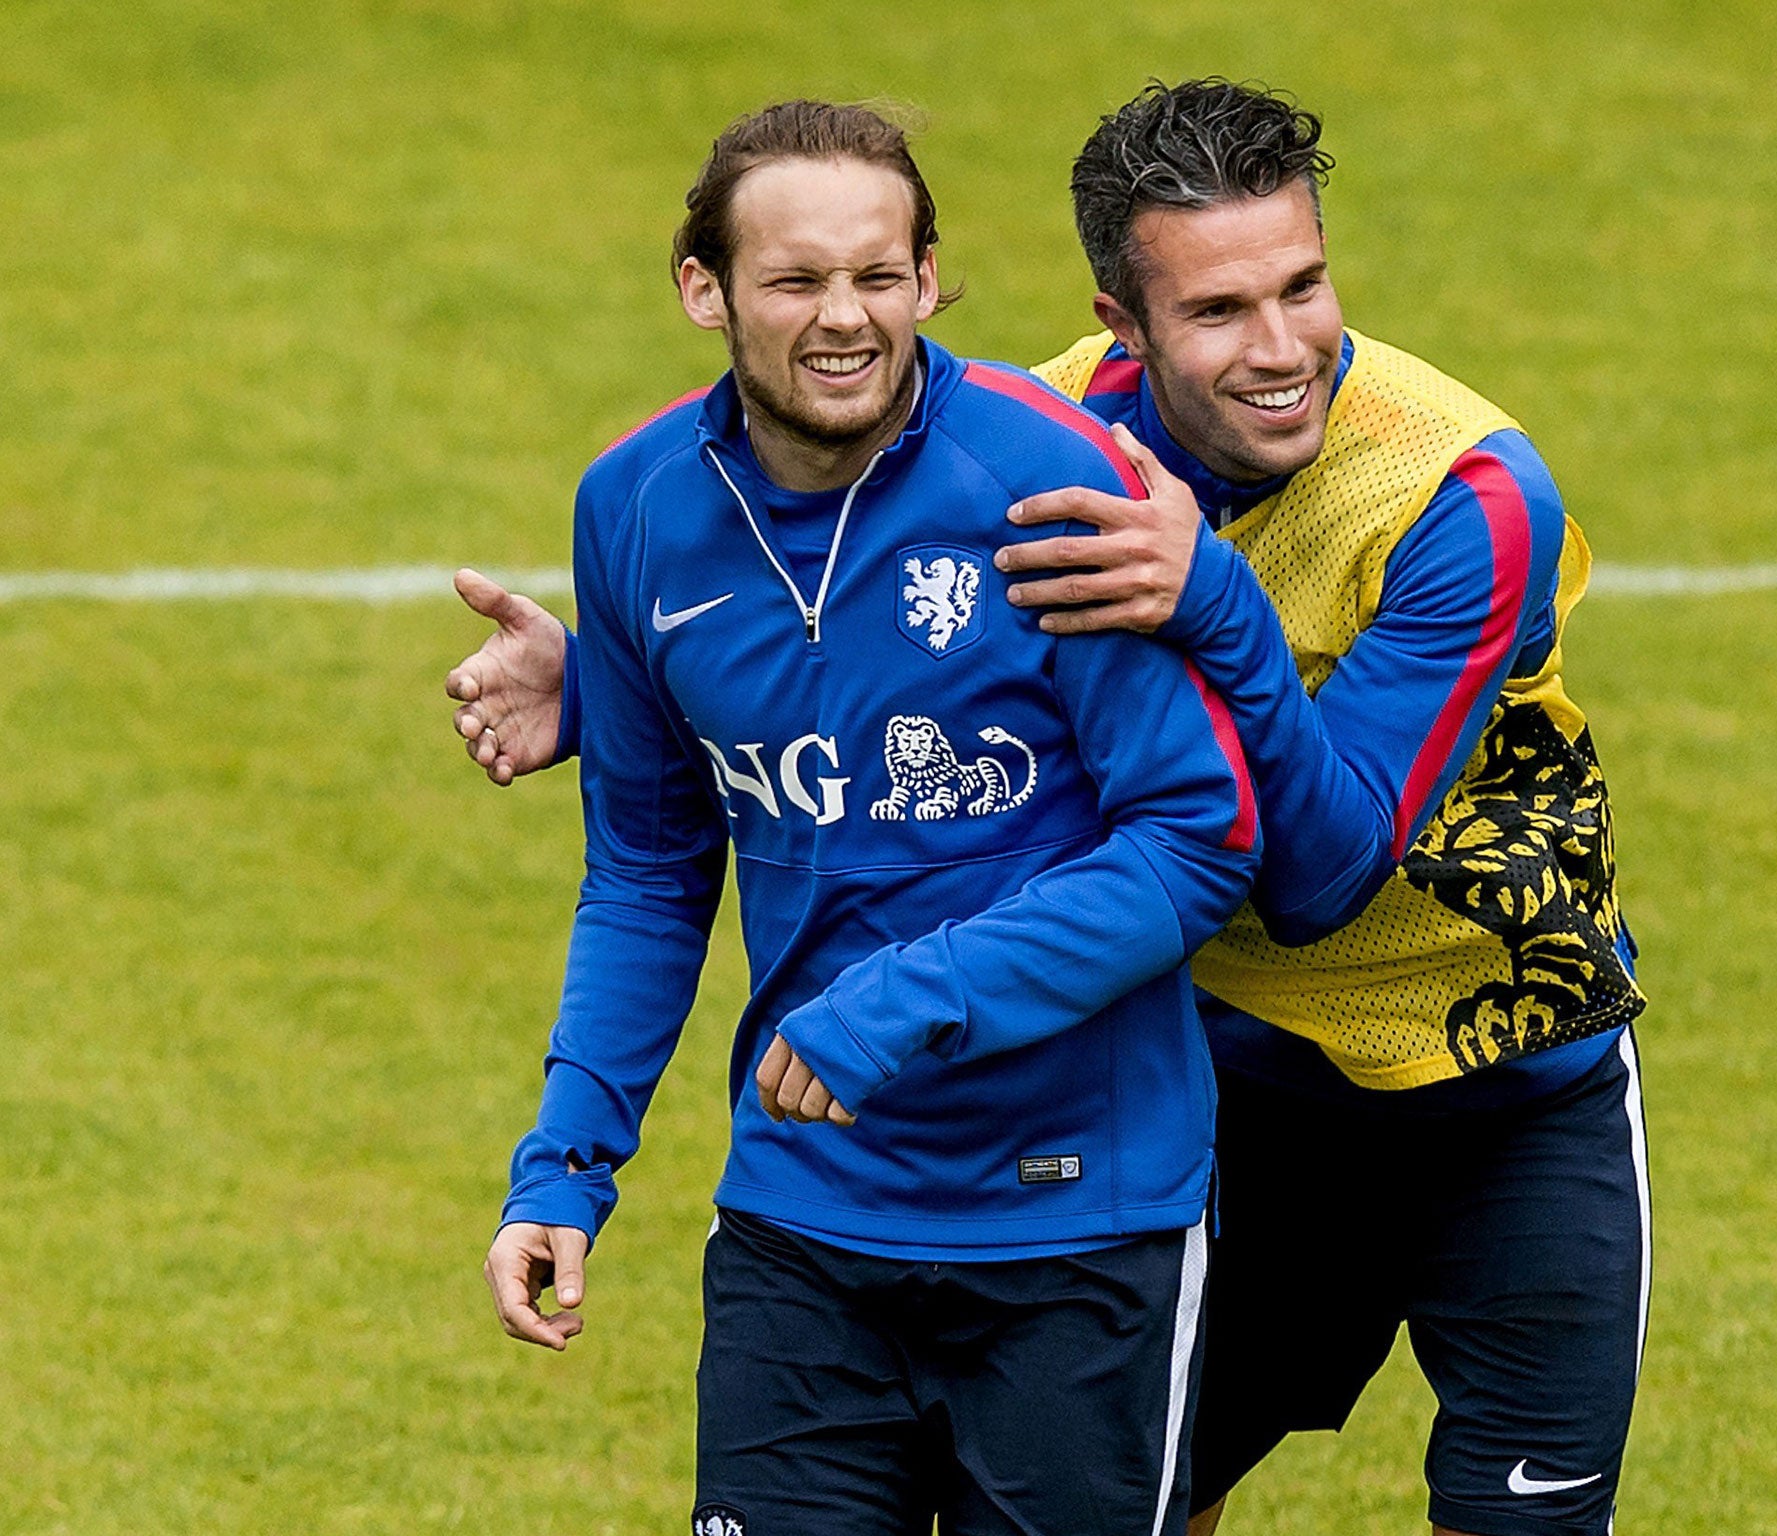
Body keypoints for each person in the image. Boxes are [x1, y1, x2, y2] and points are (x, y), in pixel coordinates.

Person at [455, 81, 1650, 1536]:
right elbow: (897, 644)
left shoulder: (1462, 495)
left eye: (1304, 287)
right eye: (1216, 312)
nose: (1283, 352)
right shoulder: (1057, 436)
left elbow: (1316, 872)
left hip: (1495, 1079)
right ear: (1121, 327)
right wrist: (608, 682)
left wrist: (1211, 598)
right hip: (1236, 1080)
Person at [479, 98, 1264, 1536]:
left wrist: (897, 1006)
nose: (845, 320)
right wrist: (565, 1166)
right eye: (796, 281)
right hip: (805, 1219)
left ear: (927, 278)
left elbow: (1192, 842)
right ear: (703, 289)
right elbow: (650, 873)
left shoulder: (1045, 481)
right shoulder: (637, 507)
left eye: (879, 277)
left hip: (1079, 1226)